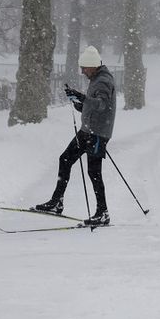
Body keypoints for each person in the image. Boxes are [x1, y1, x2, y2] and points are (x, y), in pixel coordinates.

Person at [35, 46, 116, 226]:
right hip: (88, 131)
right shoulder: (96, 78)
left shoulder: (103, 81)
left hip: (98, 134)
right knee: (65, 159)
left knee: (94, 172)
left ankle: (103, 213)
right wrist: (80, 103)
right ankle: (57, 202)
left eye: (84, 68)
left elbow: (102, 105)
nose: (82, 71)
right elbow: (94, 106)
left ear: (93, 66)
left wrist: (82, 97)